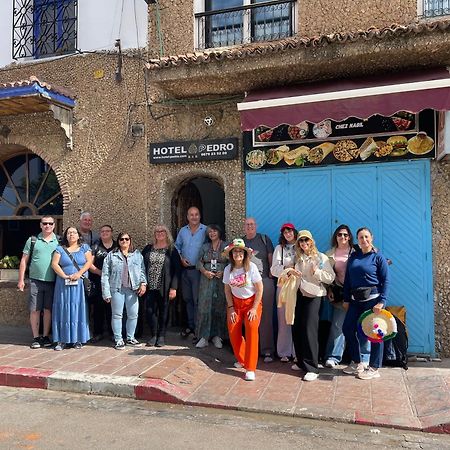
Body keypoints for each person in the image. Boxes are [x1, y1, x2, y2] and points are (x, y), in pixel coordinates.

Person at [342, 227, 390, 380]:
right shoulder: (354, 257)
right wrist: (346, 298)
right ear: (357, 240)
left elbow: (386, 280)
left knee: (375, 333)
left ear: (372, 238)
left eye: (366, 237)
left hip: (373, 301)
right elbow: (348, 280)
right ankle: (357, 363)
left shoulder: (378, 257)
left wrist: (382, 301)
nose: (364, 240)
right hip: (356, 300)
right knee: (347, 328)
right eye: (361, 237)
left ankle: (374, 367)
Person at [291, 230, 335, 381]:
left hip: (315, 296)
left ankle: (312, 368)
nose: (304, 243)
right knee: (297, 328)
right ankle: (302, 361)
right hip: (299, 295)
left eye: (306, 240)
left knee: (310, 329)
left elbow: (330, 278)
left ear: (311, 241)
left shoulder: (321, 257)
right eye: (301, 241)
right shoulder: (298, 258)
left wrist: (317, 272)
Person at [324, 225, 370, 368]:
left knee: (363, 325)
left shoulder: (356, 250)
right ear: (335, 237)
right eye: (339, 235)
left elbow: (372, 257)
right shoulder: (329, 254)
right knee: (338, 326)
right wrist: (329, 289)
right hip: (340, 293)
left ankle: (364, 357)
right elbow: (326, 274)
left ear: (349, 237)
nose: (342, 237)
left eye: (345, 235)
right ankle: (333, 357)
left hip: (358, 293)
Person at [223, 239, 263, 381]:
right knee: (233, 331)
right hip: (235, 304)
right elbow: (227, 290)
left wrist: (253, 308)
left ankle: (250, 368)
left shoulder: (251, 267)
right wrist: (231, 308)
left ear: (245, 254)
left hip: (252, 303)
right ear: (231, 254)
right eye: (235, 251)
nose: (237, 253)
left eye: (240, 251)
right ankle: (243, 360)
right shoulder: (228, 269)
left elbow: (259, 289)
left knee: (251, 329)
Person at [17, 216, 59, 349]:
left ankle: (45, 336)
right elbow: (24, 260)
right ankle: (36, 337)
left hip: (52, 281)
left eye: (50, 223)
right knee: (35, 309)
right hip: (35, 280)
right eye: (45, 223)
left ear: (54, 225)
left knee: (48, 310)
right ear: (40, 225)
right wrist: (21, 279)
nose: (47, 226)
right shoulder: (33, 240)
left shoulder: (59, 240)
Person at [101, 232, 147, 350]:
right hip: (117, 289)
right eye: (122, 239)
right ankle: (118, 339)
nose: (124, 241)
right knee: (117, 315)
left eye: (127, 239)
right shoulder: (111, 255)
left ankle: (130, 337)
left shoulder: (137, 255)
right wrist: (106, 292)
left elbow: (142, 270)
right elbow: (105, 274)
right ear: (118, 241)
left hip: (133, 289)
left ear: (130, 240)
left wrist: (143, 284)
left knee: (133, 315)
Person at [51, 227, 92, 350]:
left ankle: (78, 339)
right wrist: (64, 276)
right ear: (65, 236)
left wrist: (79, 274)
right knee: (63, 309)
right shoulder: (60, 249)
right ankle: (61, 340)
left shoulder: (84, 248)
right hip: (63, 284)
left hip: (79, 284)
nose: (71, 235)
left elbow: (89, 262)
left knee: (78, 309)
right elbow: (54, 264)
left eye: (74, 232)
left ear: (79, 235)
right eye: (69, 233)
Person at [142, 224, 181, 347]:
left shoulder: (171, 250)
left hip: (165, 286)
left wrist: (174, 288)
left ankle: (161, 336)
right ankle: (153, 335)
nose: (159, 233)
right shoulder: (148, 248)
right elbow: (141, 265)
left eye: (162, 231)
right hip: (150, 286)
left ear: (167, 234)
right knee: (149, 310)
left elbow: (177, 270)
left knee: (164, 310)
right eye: (157, 231)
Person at [243, 217, 275, 363]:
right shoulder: (241, 242)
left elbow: (270, 258)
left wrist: (270, 276)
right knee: (249, 317)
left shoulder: (264, 239)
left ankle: (267, 350)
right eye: (247, 224)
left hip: (264, 281)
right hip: (247, 284)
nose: (250, 226)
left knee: (266, 317)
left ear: (256, 226)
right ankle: (250, 349)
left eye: (252, 224)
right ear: (244, 227)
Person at [174, 206, 207, 340]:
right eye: (191, 215)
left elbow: (210, 247)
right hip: (185, 271)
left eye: (196, 214)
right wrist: (181, 258)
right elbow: (176, 246)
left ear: (200, 216)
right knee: (188, 300)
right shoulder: (183, 231)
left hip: (198, 271)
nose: (194, 217)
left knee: (198, 300)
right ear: (187, 217)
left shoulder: (205, 230)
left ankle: (200, 329)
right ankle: (191, 326)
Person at [195, 224, 228, 349]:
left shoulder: (225, 246)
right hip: (206, 280)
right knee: (205, 306)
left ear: (219, 232)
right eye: (210, 232)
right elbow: (198, 262)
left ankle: (217, 336)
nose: (212, 233)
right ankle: (204, 337)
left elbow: (232, 261)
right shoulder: (205, 247)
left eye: (214, 231)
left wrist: (224, 271)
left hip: (221, 280)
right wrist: (204, 271)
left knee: (219, 306)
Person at [270, 223, 297, 362]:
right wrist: (287, 268)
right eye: (285, 232)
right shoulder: (279, 249)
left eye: (290, 231)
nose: (288, 234)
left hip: (298, 288)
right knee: (283, 320)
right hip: (283, 287)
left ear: (294, 232)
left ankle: (297, 351)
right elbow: (274, 270)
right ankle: (284, 352)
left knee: (297, 320)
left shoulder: (301, 246)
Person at [88, 224, 117, 343]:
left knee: (113, 309)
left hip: (114, 283)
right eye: (102, 231)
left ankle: (113, 333)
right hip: (98, 282)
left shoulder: (117, 246)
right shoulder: (95, 246)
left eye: (107, 231)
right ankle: (98, 333)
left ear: (111, 232)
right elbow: (89, 264)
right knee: (98, 309)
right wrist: (100, 273)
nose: (105, 233)